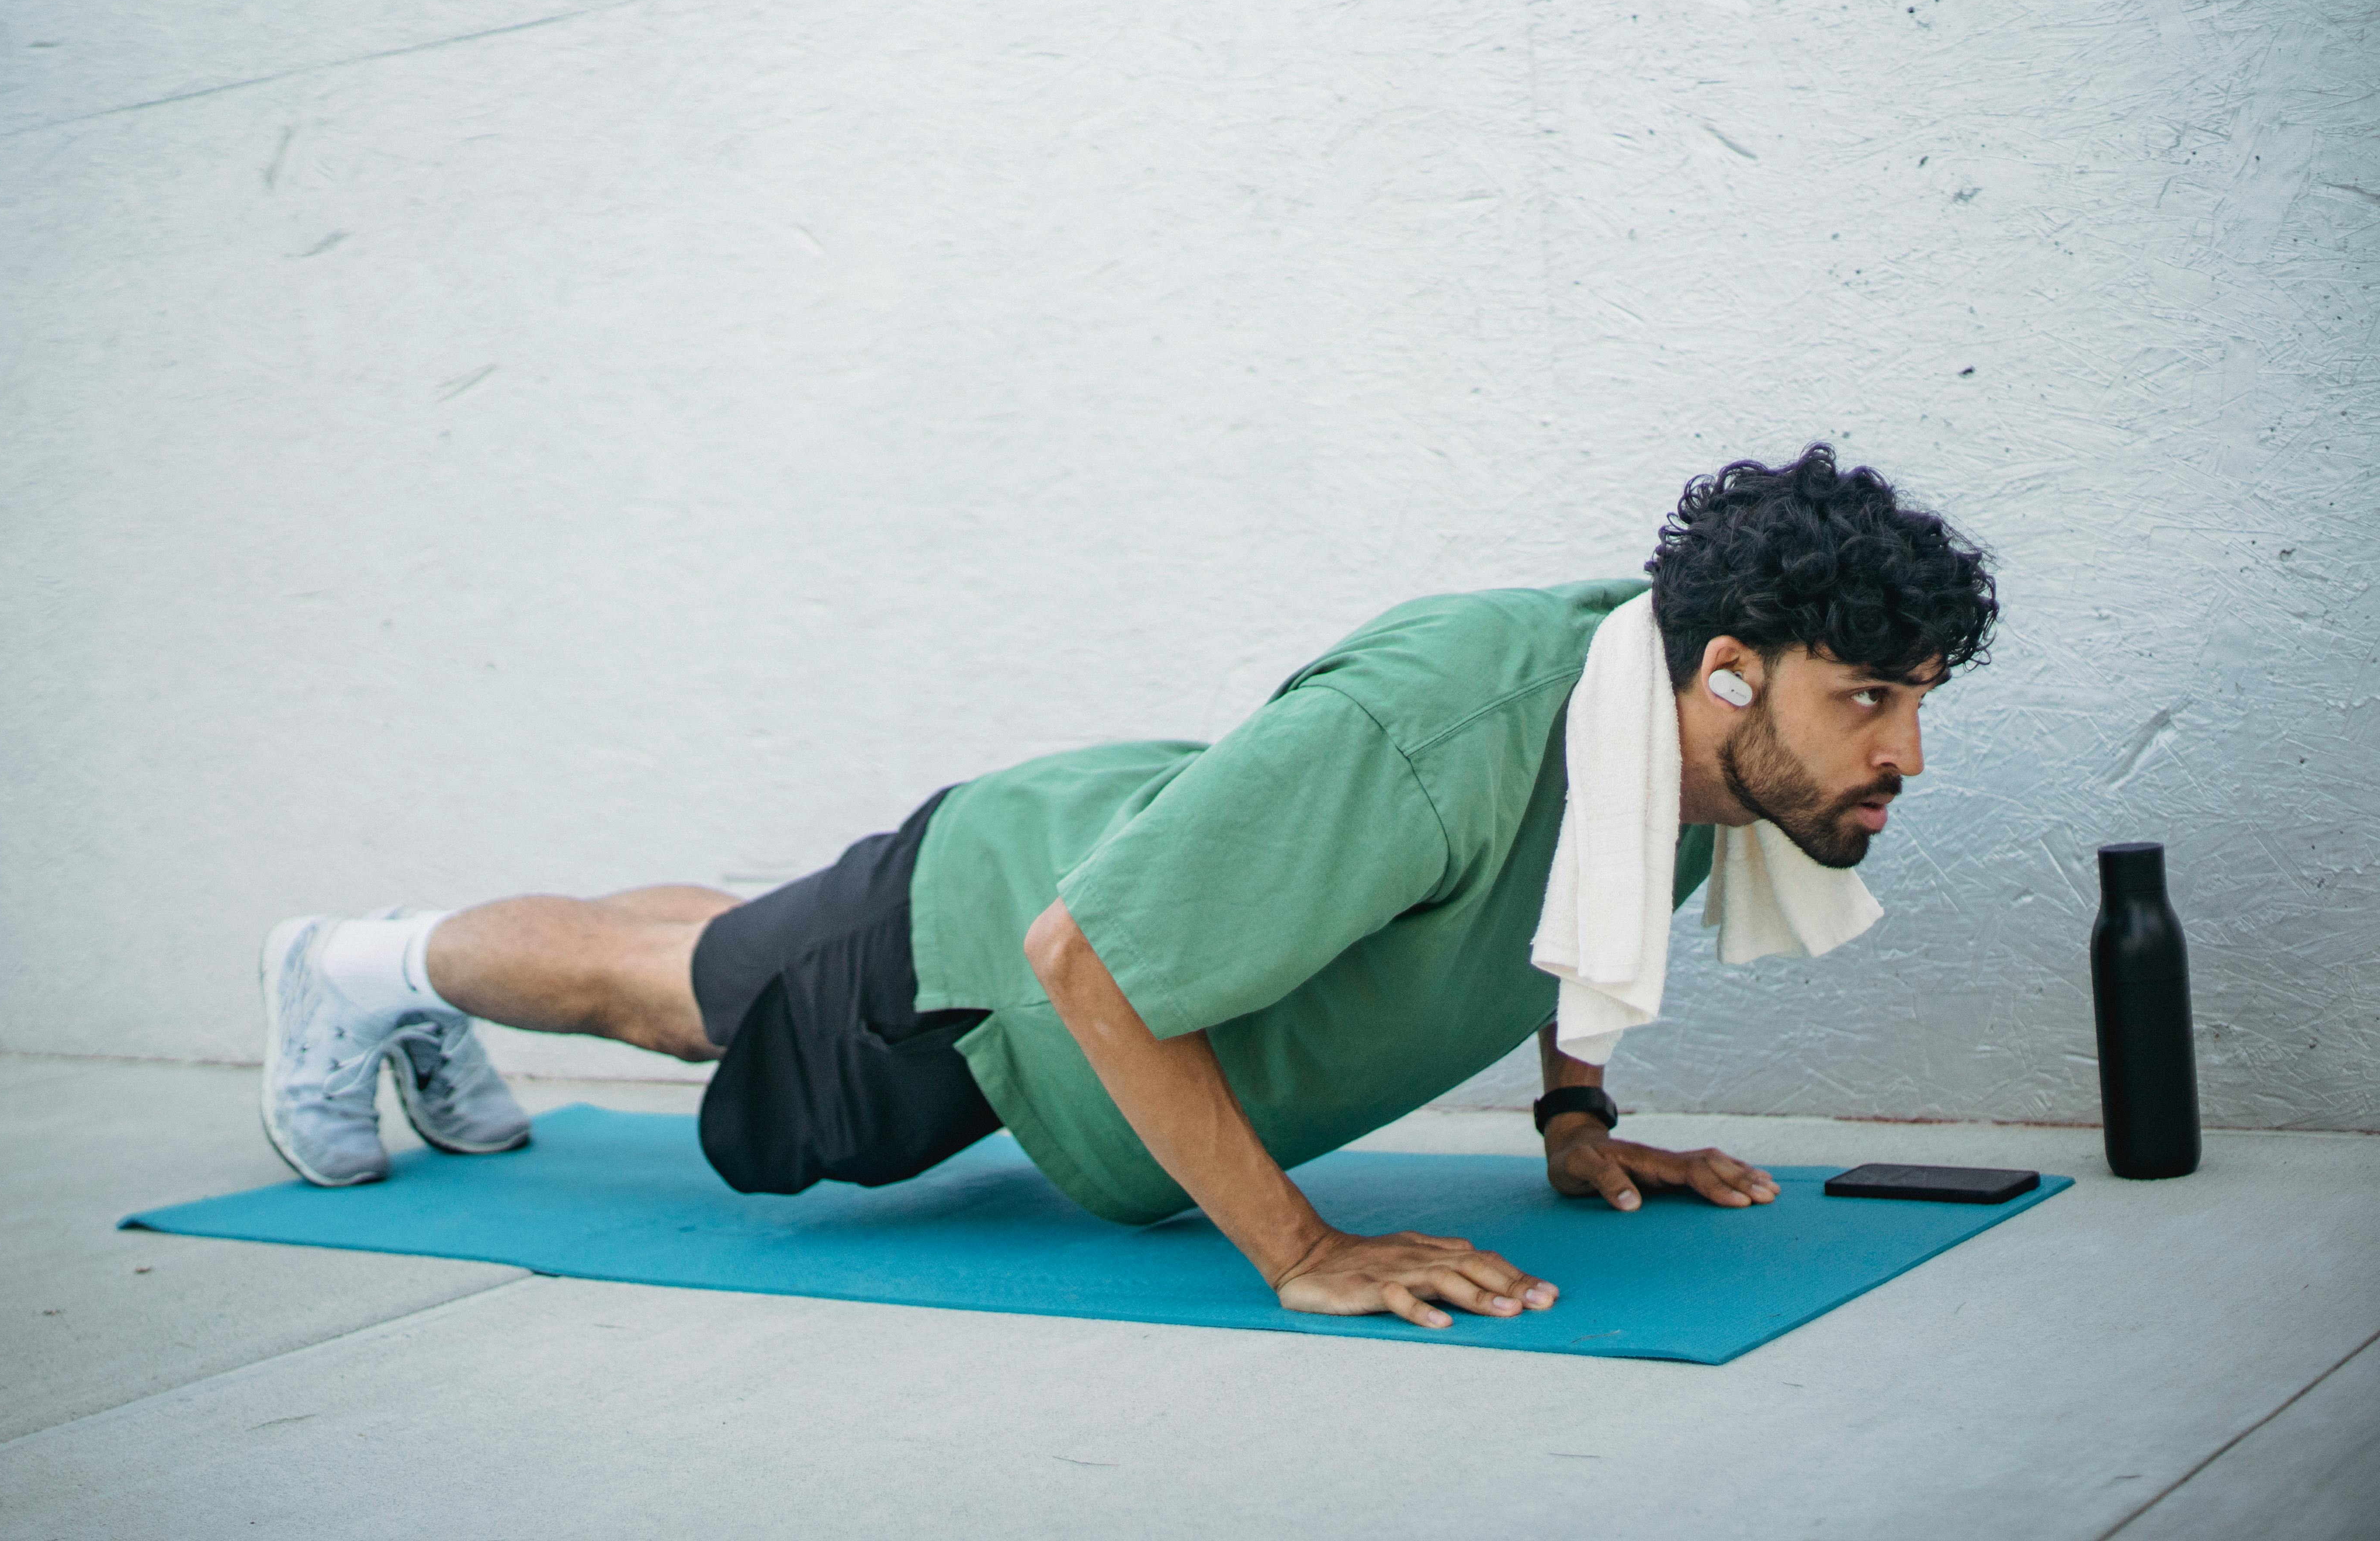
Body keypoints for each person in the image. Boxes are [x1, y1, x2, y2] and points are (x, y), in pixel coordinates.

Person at [259, 444, 1996, 1330]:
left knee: (716, 938)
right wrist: (1302, 1250)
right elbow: (1081, 956)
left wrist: (1576, 1115)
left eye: (1915, 701)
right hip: (990, 958)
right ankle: (356, 963)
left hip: (1054, 845)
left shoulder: (1672, 741)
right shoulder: (1449, 723)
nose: (1902, 753)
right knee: (685, 994)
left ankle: (414, 986)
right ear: (1724, 672)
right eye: (1869, 700)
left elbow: (1572, 906)